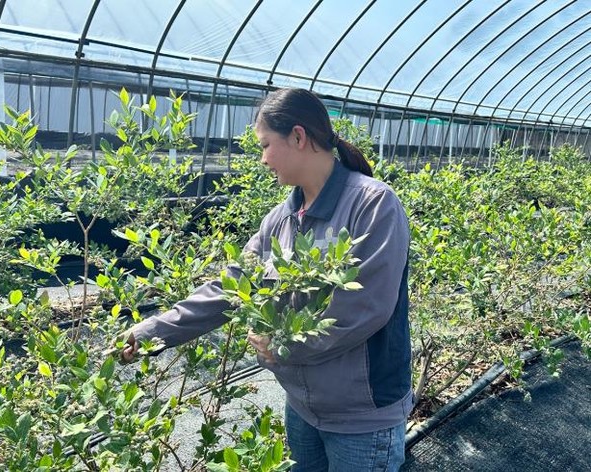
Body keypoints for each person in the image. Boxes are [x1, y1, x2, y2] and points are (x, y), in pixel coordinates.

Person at [119, 88, 412, 471]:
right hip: (303, 407)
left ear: (298, 136)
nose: (262, 159)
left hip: (361, 416)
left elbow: (365, 307)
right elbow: (232, 286)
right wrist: (152, 332)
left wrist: (282, 345)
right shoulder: (280, 219)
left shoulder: (372, 204)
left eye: (265, 145)